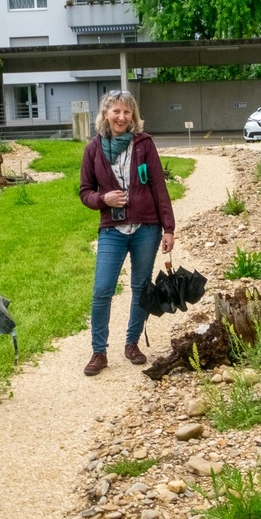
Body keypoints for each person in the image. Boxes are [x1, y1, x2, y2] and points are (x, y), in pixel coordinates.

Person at [78, 90, 175, 376]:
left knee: (140, 287)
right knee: (101, 290)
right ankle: (99, 351)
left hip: (147, 228)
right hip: (112, 228)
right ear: (105, 114)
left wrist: (168, 227)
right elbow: (84, 192)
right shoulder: (93, 149)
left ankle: (132, 343)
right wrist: (102, 200)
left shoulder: (144, 144)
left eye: (127, 112)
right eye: (116, 111)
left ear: (133, 116)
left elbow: (159, 187)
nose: (122, 117)